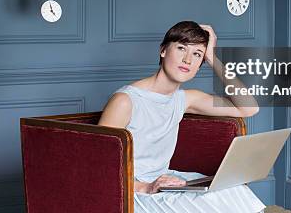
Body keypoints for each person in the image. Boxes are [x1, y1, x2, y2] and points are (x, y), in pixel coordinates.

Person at [98, 21, 265, 213]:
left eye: (197, 54)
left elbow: (249, 108)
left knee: (234, 191)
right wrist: (144, 187)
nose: (188, 60)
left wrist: (212, 58)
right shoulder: (125, 101)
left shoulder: (185, 99)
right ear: (163, 50)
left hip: (167, 180)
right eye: (181, 48)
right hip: (132, 190)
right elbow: (101, 168)